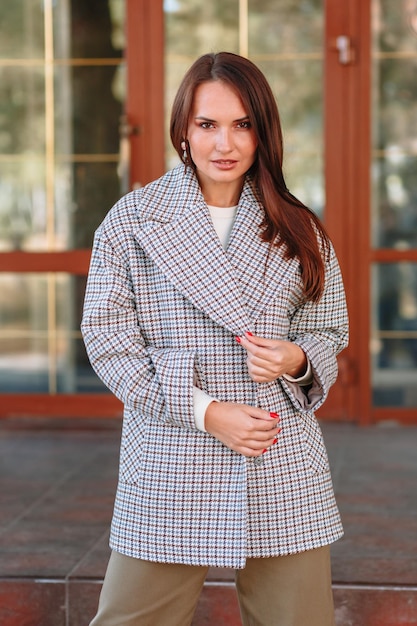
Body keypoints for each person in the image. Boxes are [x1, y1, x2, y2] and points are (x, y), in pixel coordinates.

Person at [81, 51, 348, 626]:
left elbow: (328, 328)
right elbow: (107, 340)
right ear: (184, 130)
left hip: (277, 451)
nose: (223, 143)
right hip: (171, 449)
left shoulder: (298, 225)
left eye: (241, 124)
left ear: (262, 132)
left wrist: (298, 358)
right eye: (207, 124)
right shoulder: (133, 220)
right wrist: (205, 412)